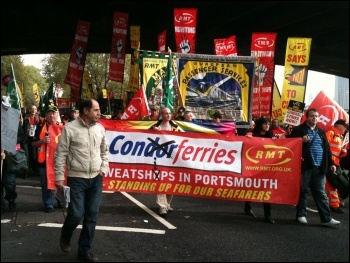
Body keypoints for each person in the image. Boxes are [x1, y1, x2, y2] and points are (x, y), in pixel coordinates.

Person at [54, 99, 109, 262]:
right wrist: (59, 176)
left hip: (95, 179)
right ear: (86, 110)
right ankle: (66, 234)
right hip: (77, 178)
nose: (99, 113)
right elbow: (60, 154)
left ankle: (84, 250)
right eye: (96, 110)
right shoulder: (70, 129)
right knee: (76, 214)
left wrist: (103, 168)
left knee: (91, 215)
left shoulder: (100, 128)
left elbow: (105, 151)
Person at [288, 108, 340, 226]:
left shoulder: (321, 132)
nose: (314, 118)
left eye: (316, 116)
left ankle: (326, 219)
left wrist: (331, 164)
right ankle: (301, 215)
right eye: (312, 116)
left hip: (320, 167)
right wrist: (301, 140)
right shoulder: (299, 130)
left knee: (320, 193)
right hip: (305, 166)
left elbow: (326, 149)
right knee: (303, 191)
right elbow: (289, 144)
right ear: (307, 117)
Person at [244, 117, 276, 224]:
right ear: (260, 125)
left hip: (267, 168)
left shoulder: (271, 136)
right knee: (251, 187)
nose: (267, 126)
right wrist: (247, 138)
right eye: (265, 124)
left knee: (266, 191)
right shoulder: (252, 135)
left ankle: (268, 215)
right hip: (253, 167)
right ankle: (247, 207)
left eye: (269, 124)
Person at [32, 105, 63, 213]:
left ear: (57, 115)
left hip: (58, 162)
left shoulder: (63, 127)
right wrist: (42, 141)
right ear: (46, 115)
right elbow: (32, 143)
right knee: (45, 185)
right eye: (49, 113)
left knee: (59, 183)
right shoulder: (39, 127)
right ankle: (48, 204)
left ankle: (61, 201)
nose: (51, 115)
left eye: (53, 113)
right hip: (43, 163)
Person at [150, 107, 179, 216]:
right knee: (161, 182)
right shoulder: (155, 127)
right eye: (166, 113)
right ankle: (162, 206)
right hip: (159, 159)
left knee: (171, 182)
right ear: (161, 115)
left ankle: (167, 203)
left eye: (169, 113)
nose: (168, 115)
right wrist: (154, 132)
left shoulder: (175, 127)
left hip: (172, 160)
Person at [1, 121, 25, 212]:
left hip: (10, 158)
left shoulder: (13, 120)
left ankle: (11, 199)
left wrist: (10, 141)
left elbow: (21, 136)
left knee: (9, 182)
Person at [325, 119, 348, 213]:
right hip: (330, 164)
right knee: (331, 185)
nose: (346, 129)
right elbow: (325, 147)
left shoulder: (340, 137)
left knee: (334, 185)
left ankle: (333, 205)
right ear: (339, 126)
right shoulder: (330, 133)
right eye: (345, 127)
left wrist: (343, 152)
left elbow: (339, 153)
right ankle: (334, 206)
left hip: (336, 165)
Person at [22, 104, 40, 177]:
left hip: (34, 140)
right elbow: (22, 128)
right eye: (32, 109)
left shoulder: (38, 119)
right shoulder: (25, 118)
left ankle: (35, 170)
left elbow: (39, 129)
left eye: (35, 109)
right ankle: (26, 171)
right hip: (26, 139)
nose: (33, 110)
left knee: (33, 156)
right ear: (29, 110)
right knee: (26, 155)